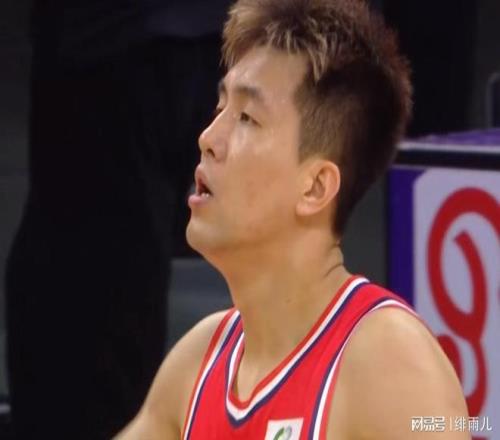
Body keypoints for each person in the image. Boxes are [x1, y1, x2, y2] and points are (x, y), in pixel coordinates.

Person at [116, 0, 469, 438]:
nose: (208, 138)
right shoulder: (197, 364)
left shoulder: (388, 364)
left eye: (247, 118)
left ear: (316, 187)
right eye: (220, 108)